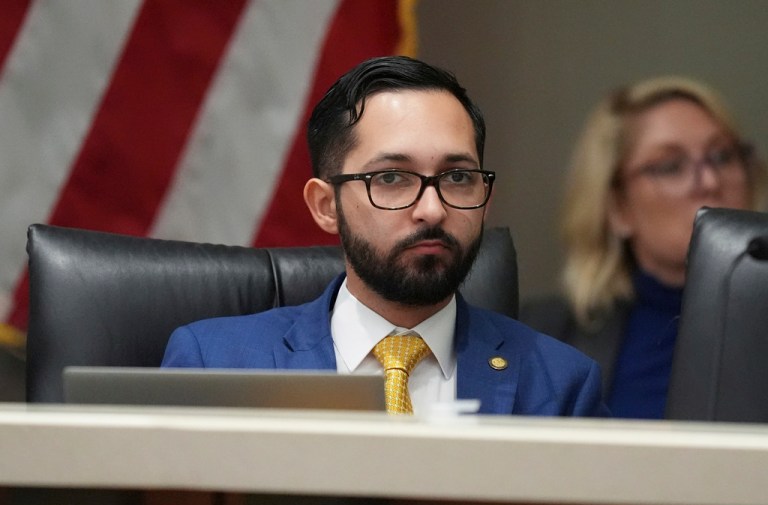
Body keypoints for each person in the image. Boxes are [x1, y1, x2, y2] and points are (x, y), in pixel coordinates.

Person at [162, 55, 609, 417]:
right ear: (326, 206)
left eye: (457, 177)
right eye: (392, 178)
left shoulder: (561, 384)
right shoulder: (215, 363)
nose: (432, 209)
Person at [521, 76, 767, 419]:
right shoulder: (539, 338)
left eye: (723, 156)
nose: (710, 182)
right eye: (671, 166)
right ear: (618, 207)